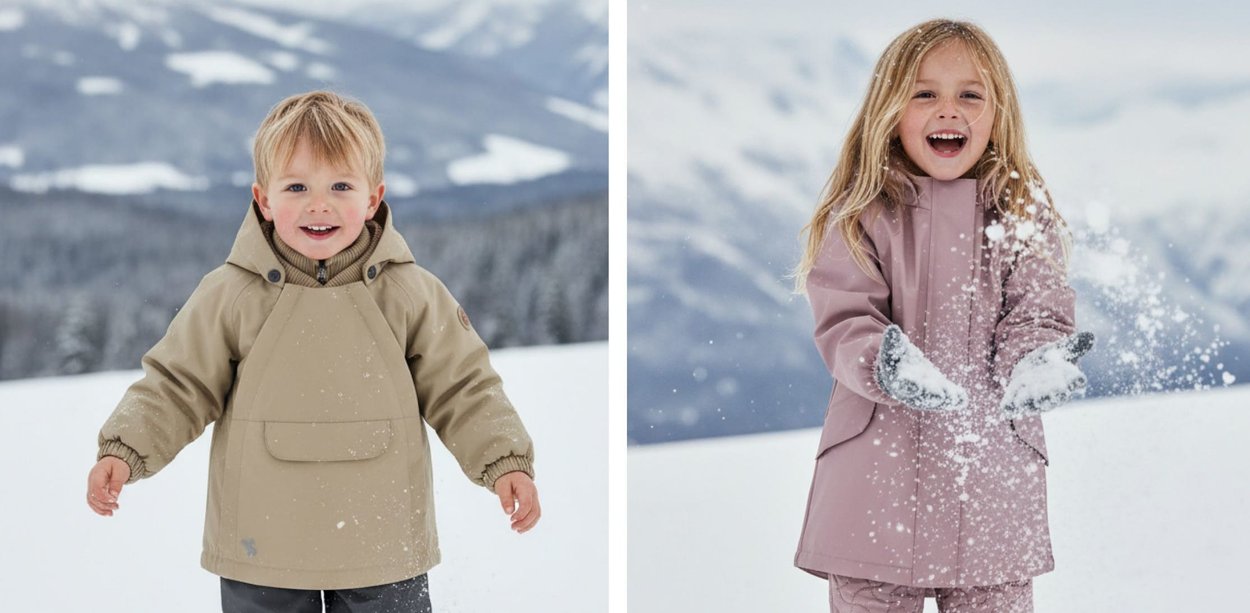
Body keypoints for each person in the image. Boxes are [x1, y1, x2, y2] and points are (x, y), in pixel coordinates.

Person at [85, 90, 541, 612]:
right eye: (297, 186)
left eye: (341, 186)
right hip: (263, 542)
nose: (319, 204)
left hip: (382, 540)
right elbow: (176, 384)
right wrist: (126, 449)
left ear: (373, 198)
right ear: (263, 199)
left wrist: (505, 461)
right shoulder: (232, 293)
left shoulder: (409, 293)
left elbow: (464, 387)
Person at [790, 19, 1094, 613]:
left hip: (989, 488)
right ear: (889, 110)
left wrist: (1035, 362)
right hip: (875, 487)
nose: (947, 110)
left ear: (998, 114)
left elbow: (1036, 311)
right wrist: (884, 362)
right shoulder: (859, 217)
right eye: (924, 93)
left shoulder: (1021, 218)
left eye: (970, 95)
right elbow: (846, 318)